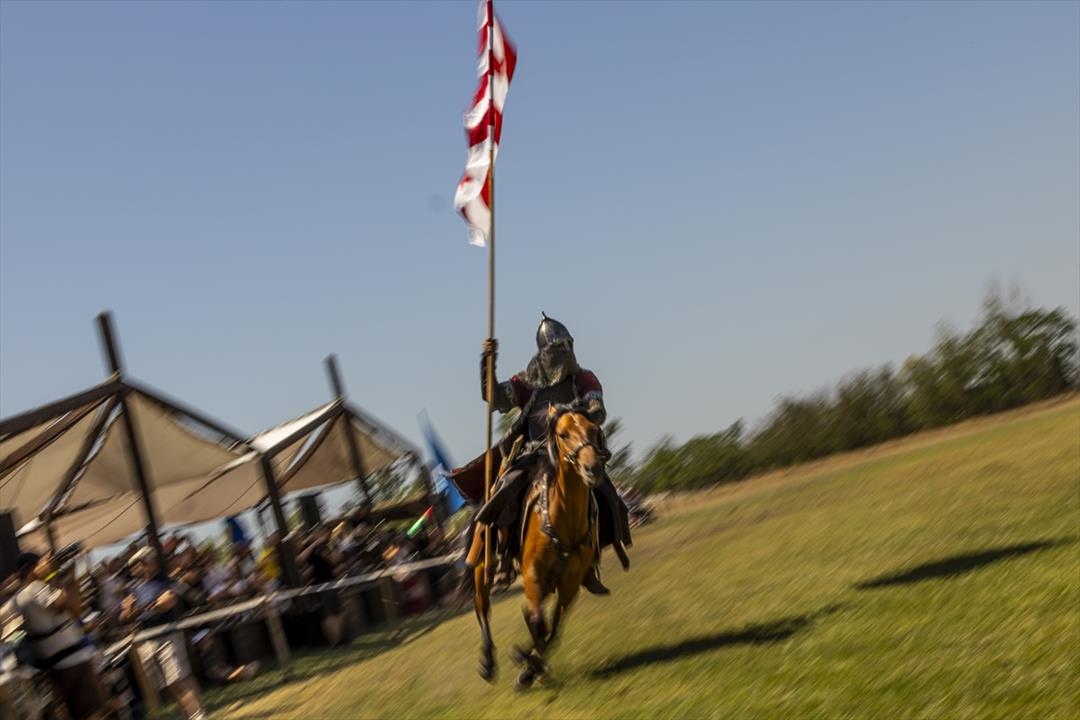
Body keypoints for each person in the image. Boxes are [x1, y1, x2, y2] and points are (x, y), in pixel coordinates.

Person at [462, 313, 632, 594]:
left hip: (573, 454)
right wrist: (487, 363)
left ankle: (590, 560)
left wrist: (576, 413)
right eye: (559, 347)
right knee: (503, 494)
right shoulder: (525, 382)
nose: (566, 351)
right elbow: (494, 397)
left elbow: (597, 410)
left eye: (568, 345)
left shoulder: (583, 378)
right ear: (546, 352)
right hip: (534, 454)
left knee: (610, 498)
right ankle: (503, 559)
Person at [7, 551, 108, 720]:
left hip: (61, 665)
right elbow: (60, 605)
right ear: (32, 569)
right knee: (94, 714)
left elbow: (75, 609)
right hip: (73, 663)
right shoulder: (34, 588)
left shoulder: (20, 598)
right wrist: (52, 575)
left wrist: (70, 577)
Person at [121, 548, 206, 720]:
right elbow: (124, 616)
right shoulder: (133, 589)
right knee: (169, 683)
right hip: (147, 641)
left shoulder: (166, 581)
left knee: (179, 678)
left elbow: (167, 603)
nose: (134, 569)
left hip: (168, 637)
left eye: (137, 564)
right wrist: (133, 610)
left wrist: (139, 608)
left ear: (149, 562)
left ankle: (198, 715)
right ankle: (187, 715)